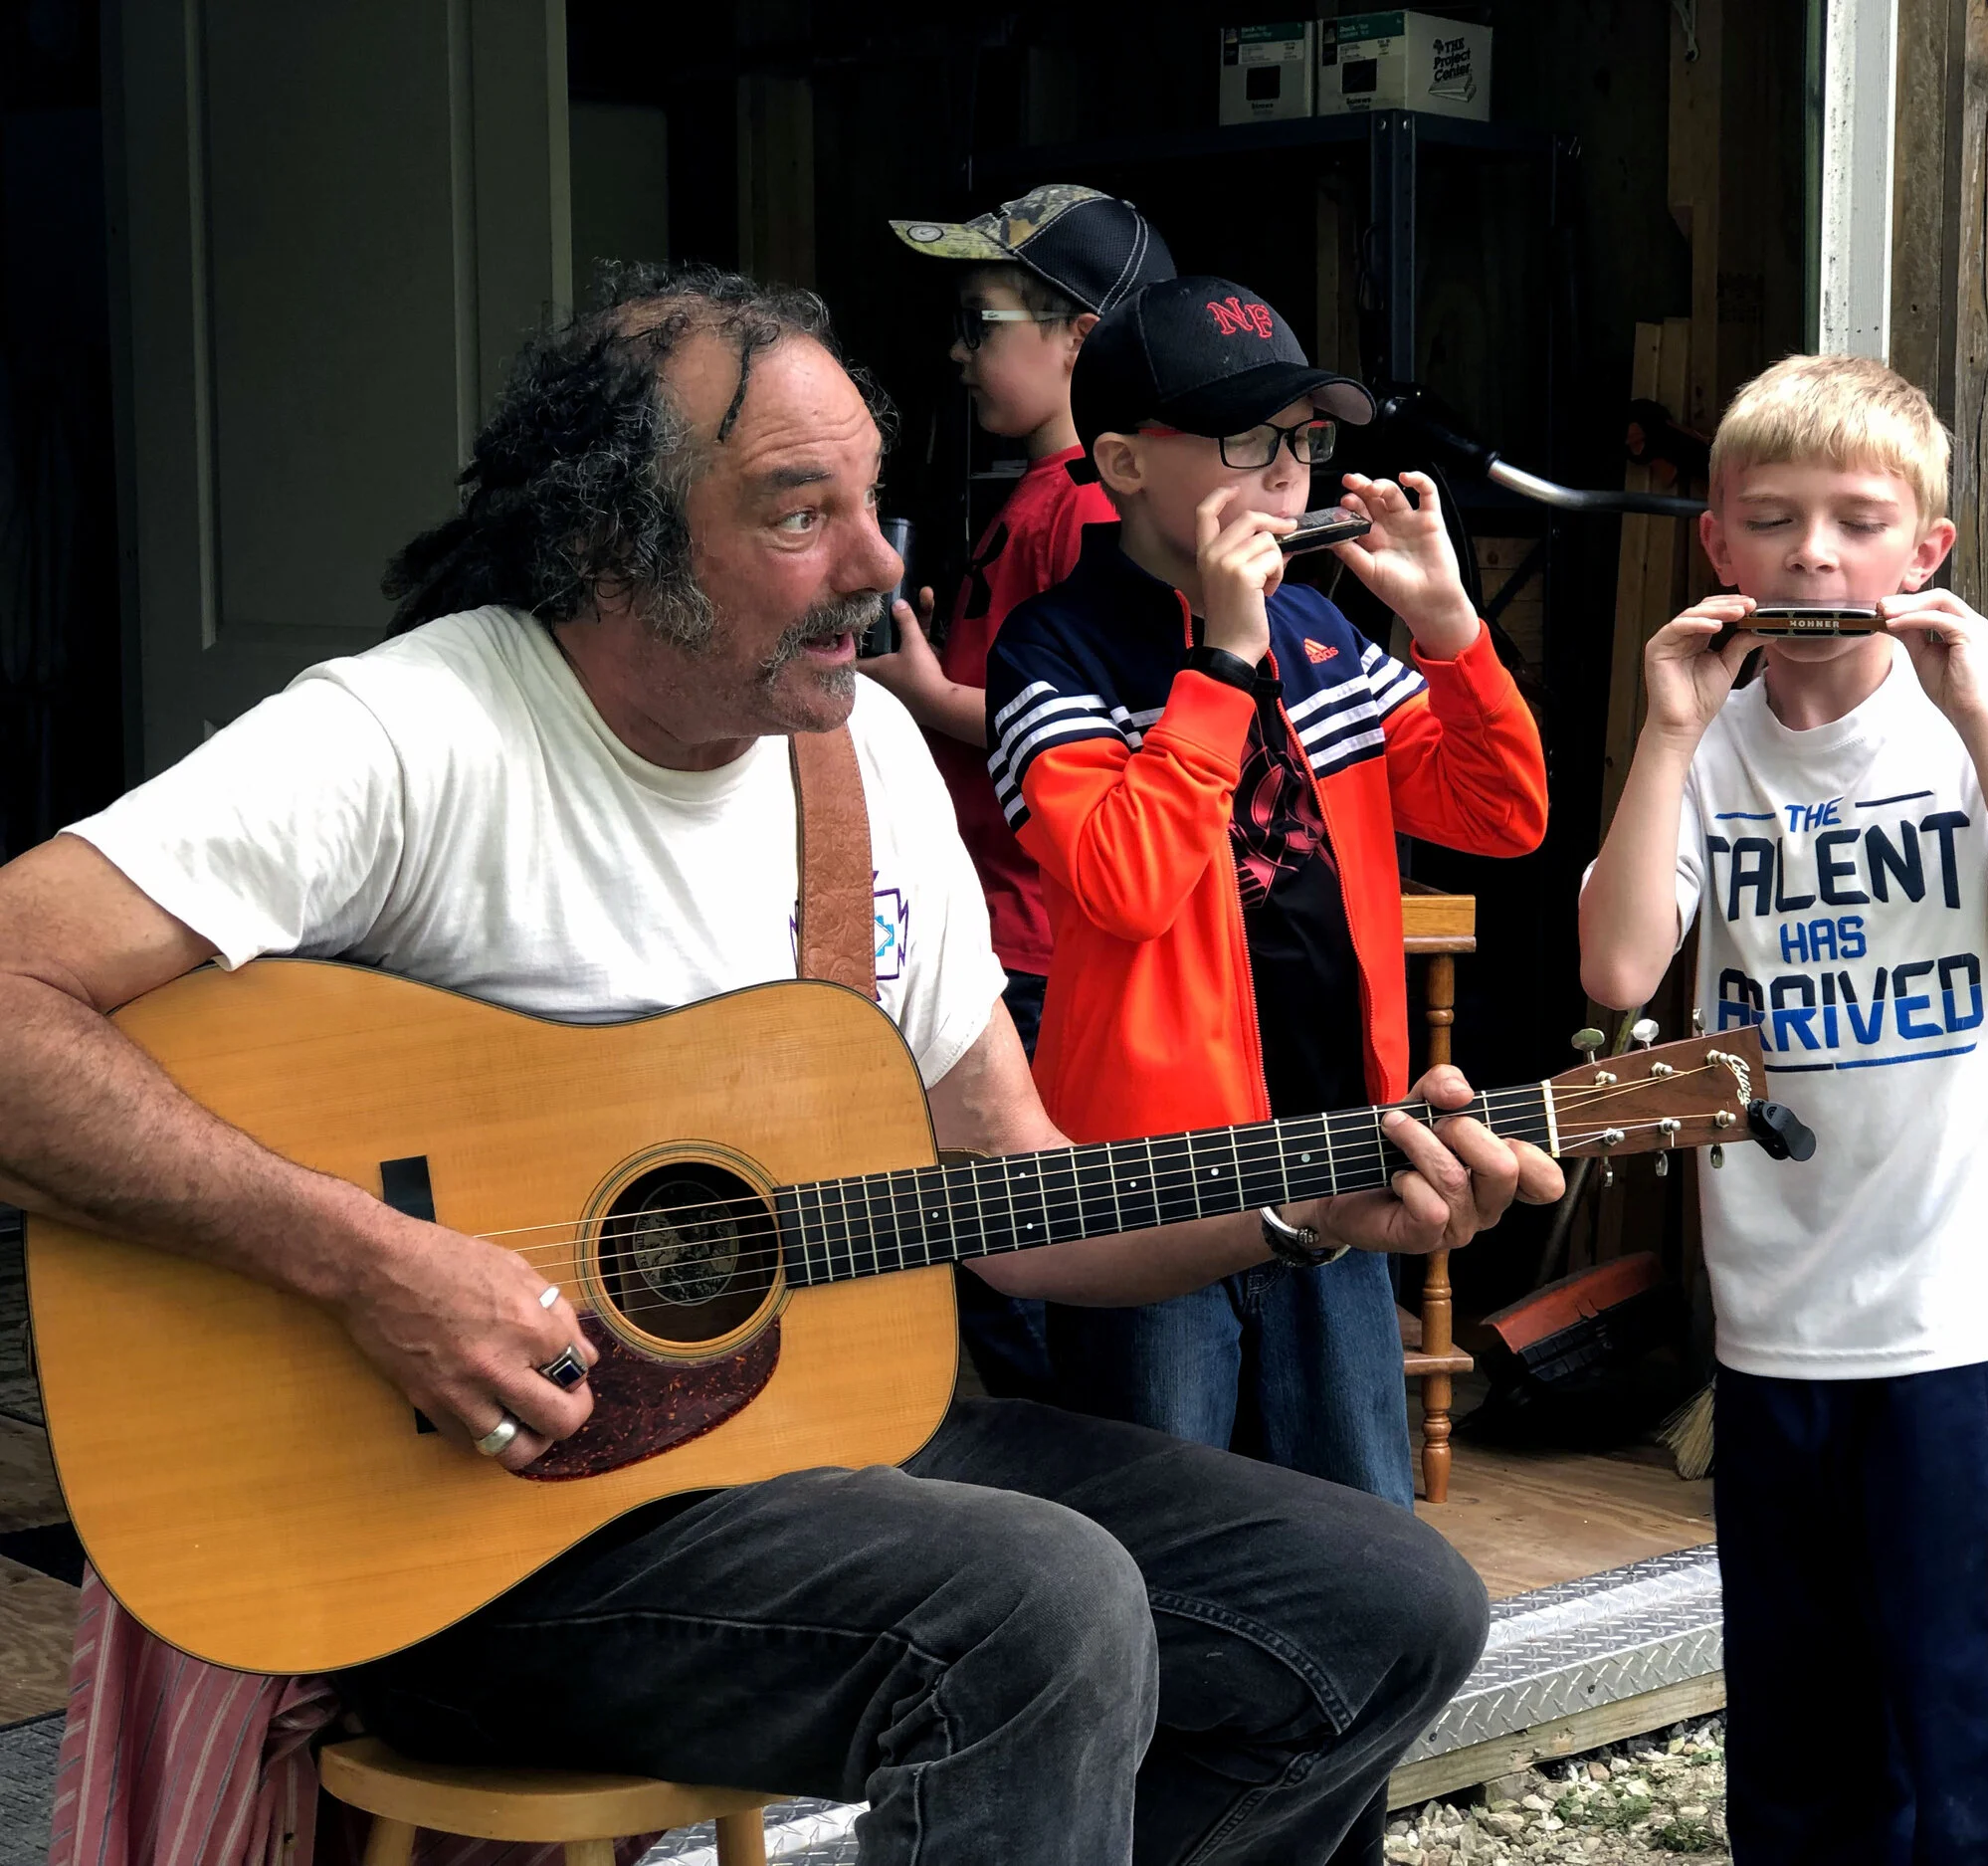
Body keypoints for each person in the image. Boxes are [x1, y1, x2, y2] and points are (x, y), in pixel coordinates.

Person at [0, 266, 1566, 1866]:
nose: (881, 566)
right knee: (1036, 1601)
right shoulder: (412, 735)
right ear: (614, 538)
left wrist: (1311, 1207)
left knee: (1387, 1597)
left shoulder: (866, 758)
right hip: (485, 1541)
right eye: (796, 513)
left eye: (873, 502)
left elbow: (1020, 1199)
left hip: (826, 1466)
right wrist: (371, 1262)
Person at [1577, 353, 1988, 1865]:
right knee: (1799, 1710)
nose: (1815, 552)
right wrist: (1672, 728)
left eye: (1858, 520)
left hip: (1970, 1308)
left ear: (1926, 551)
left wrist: (1983, 708)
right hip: (1775, 1313)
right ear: (1719, 544)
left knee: (1963, 1704)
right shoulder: (1711, 739)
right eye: (1772, 519)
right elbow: (1618, 963)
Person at [986, 276, 1549, 1507]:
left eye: (1302, 439)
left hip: (1343, 1160)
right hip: (1149, 1194)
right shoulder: (1052, 650)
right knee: (1163, 1536)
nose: (1286, 473)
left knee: (1365, 1531)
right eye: (1245, 439)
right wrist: (1221, 663)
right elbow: (1125, 886)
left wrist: (1451, 631)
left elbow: (1499, 815)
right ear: (1126, 461)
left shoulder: (1321, 633)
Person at [866, 184, 1176, 1400]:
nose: (957, 351)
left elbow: (1104, 731)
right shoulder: (1036, 503)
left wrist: (928, 699)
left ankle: (1056, 1502)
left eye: (980, 318)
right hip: (991, 928)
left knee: (1006, 1257)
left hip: (1036, 948)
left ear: (1080, 341)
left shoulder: (1092, 513)